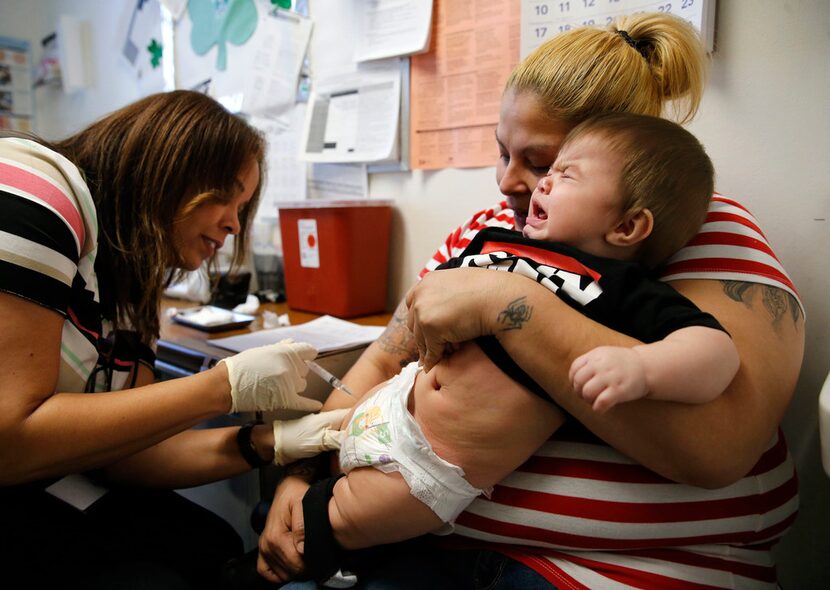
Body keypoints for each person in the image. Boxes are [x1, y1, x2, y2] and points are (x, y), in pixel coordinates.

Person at [262, 13, 804, 590]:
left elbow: (721, 449)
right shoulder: (491, 231)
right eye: (504, 152)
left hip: (620, 569)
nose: (509, 183)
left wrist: (509, 301)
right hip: (424, 542)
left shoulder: (706, 231)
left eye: (545, 164)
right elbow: (384, 357)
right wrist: (299, 475)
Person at [295, 112, 741, 585]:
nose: (540, 185)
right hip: (394, 397)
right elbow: (409, 325)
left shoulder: (618, 289)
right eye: (508, 156)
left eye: (562, 173)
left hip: (431, 462)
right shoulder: (496, 240)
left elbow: (717, 352)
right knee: (298, 479)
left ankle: (304, 550)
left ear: (628, 226)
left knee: (342, 520)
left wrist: (643, 366)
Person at [0, 90, 347, 590]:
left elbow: (125, 454)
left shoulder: (131, 289)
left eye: (242, 207)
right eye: (226, 195)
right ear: (168, 165)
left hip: (46, 477)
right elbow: (10, 441)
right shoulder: (35, 190)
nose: (233, 223)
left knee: (212, 544)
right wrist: (222, 388)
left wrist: (272, 442)